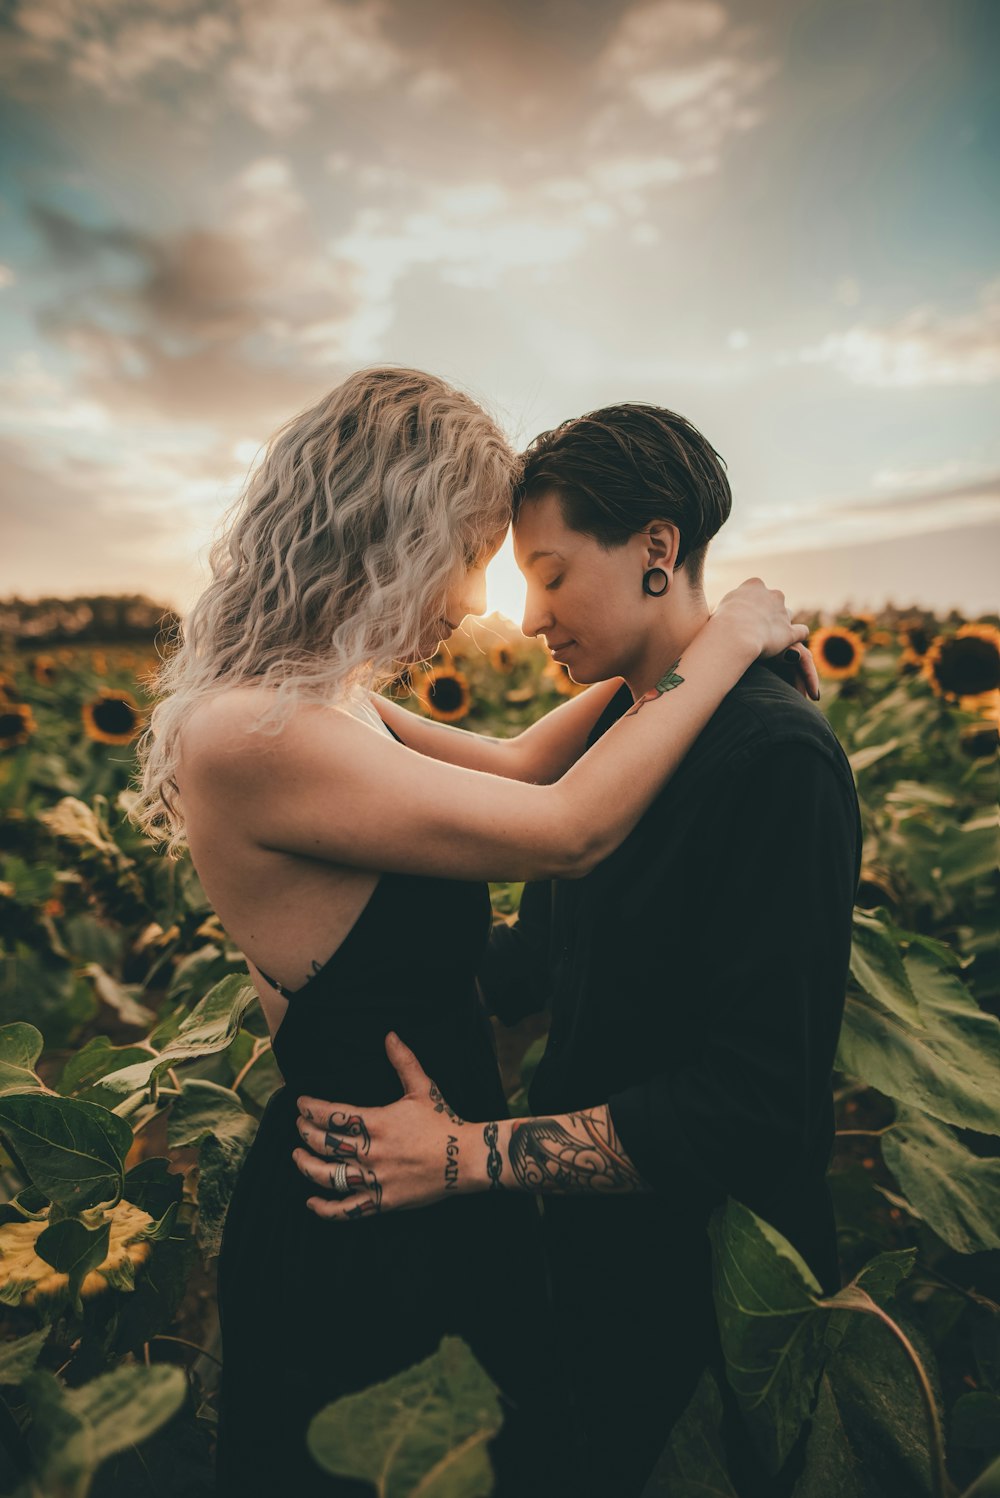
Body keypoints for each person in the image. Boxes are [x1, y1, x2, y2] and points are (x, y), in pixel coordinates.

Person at [132, 369, 810, 1497]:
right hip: (362, 1202)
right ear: (387, 532)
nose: (471, 599)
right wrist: (725, 641)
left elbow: (514, 764)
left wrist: (654, 652)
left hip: (439, 1171)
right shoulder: (253, 733)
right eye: (464, 553)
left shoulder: (326, 699)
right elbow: (564, 826)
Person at [292, 402, 862, 1497]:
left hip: (718, 1295)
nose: (529, 617)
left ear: (656, 547)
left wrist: (463, 1157)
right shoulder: (623, 735)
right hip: (598, 1268)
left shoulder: (775, 757)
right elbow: (537, 967)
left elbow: (755, 1109)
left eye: (550, 574)